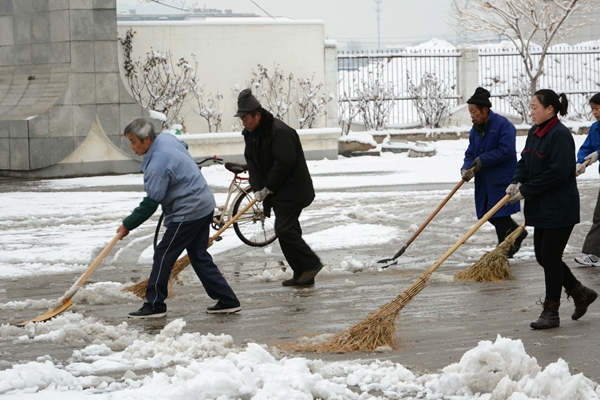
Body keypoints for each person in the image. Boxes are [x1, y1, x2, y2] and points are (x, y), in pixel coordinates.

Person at [117, 118, 241, 318]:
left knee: (164, 254)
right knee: (199, 256)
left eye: (133, 142)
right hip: (203, 203)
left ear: (147, 140)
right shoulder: (166, 139)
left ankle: (155, 304)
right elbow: (183, 146)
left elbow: (150, 203)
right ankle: (228, 300)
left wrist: (127, 225)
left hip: (188, 212)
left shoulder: (157, 164)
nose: (131, 147)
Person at [506, 89, 597, 330]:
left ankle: (551, 311)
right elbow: (525, 161)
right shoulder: (535, 133)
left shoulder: (560, 135)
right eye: (531, 106)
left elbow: (558, 173)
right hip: (541, 208)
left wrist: (527, 190)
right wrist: (516, 181)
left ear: (550, 109)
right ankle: (580, 293)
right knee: (543, 256)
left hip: (560, 207)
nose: (531, 111)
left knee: (550, 256)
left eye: (535, 106)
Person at [234, 89, 323, 286]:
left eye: (246, 118)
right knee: (288, 231)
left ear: (257, 115)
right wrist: (258, 188)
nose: (244, 122)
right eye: (241, 119)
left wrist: (269, 187)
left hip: (294, 189)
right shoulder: (251, 135)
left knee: (284, 229)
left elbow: (284, 163)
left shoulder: (279, 131)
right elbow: (253, 163)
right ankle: (302, 274)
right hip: (279, 191)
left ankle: (311, 264)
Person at [461, 87, 527, 257]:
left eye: (474, 111)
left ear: (485, 110)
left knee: (498, 214)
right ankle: (518, 234)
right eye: (470, 112)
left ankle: (504, 252)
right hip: (484, 181)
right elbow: (470, 153)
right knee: (487, 213)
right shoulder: (475, 130)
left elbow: (506, 151)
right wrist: (466, 168)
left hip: (502, 179)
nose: (472, 115)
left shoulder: (504, 126)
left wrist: (483, 159)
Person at [573, 93, 600, 267]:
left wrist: (599, 153)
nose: (595, 112)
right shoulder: (595, 128)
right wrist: (580, 163)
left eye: (597, 108)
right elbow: (587, 147)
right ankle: (595, 254)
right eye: (592, 109)